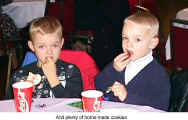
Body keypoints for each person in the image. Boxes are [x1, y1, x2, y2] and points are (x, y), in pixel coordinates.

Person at [95, 12, 171, 111]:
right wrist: (113, 70)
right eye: (125, 38)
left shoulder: (159, 74)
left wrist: (127, 96)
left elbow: (160, 107)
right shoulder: (119, 64)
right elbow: (99, 86)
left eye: (137, 39)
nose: (128, 44)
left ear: (152, 43)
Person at [6, 16, 83, 99]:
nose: (49, 52)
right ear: (32, 46)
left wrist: (53, 80)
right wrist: (25, 93)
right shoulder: (20, 75)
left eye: (54, 45)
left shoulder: (71, 71)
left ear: (61, 43)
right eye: (42, 46)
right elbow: (9, 106)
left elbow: (75, 106)